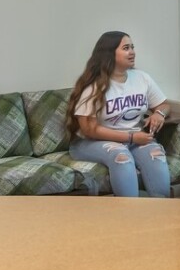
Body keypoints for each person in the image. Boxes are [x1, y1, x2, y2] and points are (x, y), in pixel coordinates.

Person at [66, 31, 171, 198]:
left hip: (134, 140)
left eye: (132, 47)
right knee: (121, 157)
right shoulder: (94, 86)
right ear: (109, 53)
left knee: (156, 154)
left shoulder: (142, 78)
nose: (132, 52)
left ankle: (162, 214)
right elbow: (89, 129)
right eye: (126, 48)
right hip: (91, 142)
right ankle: (127, 217)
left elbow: (164, 104)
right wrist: (130, 138)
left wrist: (159, 113)